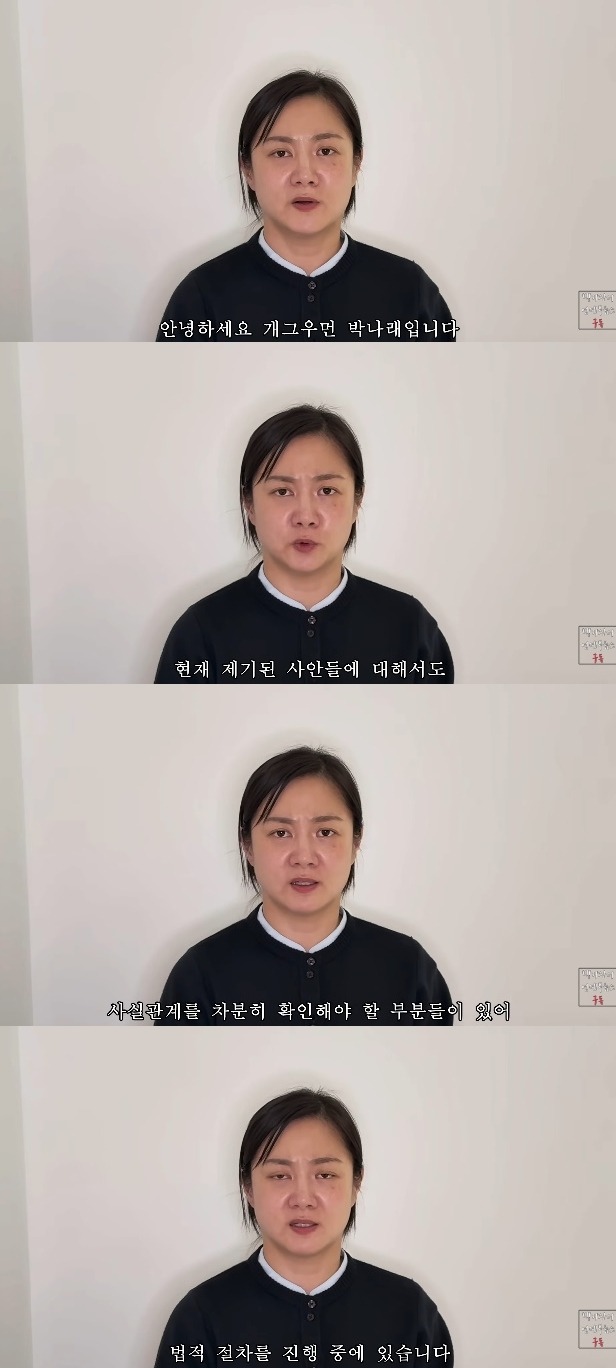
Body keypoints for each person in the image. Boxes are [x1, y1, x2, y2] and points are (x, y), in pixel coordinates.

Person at [153, 746, 454, 1025]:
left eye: (325, 832)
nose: (304, 857)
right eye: (281, 833)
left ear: (356, 841)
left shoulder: (408, 966)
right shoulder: (200, 974)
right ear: (248, 846)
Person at [154, 405, 454, 684]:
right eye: (282, 491)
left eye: (327, 490)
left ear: (357, 500)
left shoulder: (409, 626)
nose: (306, 517)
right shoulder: (201, 632)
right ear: (249, 505)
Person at [153, 1088, 455, 1366]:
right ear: (248, 1188)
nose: (303, 1199)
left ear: (356, 1183)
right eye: (279, 1176)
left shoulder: (409, 1311)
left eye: (324, 1175)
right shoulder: (201, 1318)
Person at [157, 70, 454, 343]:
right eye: (280, 152)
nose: (305, 175)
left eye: (325, 151)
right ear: (248, 170)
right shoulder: (201, 298)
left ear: (356, 164)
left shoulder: (411, 291)